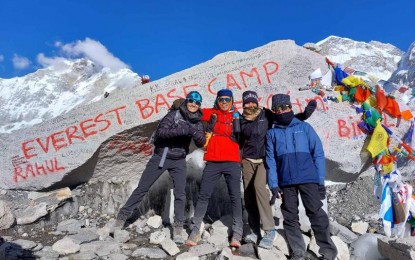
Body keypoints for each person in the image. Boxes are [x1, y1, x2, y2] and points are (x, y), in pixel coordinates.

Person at [114, 91, 206, 244]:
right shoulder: (174, 115)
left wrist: (197, 134)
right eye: (191, 100)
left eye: (197, 102)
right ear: (186, 101)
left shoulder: (197, 122)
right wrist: (182, 130)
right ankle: (121, 219)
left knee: (180, 194)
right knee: (142, 188)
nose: (193, 104)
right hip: (161, 157)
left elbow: (201, 142)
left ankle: (177, 228)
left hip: (179, 160)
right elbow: (161, 132)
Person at [239, 91, 316, 249]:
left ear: (257, 102)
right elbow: (238, 140)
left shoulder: (266, 114)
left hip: (263, 159)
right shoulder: (240, 119)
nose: (250, 105)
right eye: (247, 103)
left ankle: (269, 230)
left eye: (252, 102)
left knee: (260, 188)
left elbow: (286, 119)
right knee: (248, 194)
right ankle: (254, 230)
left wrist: (305, 115)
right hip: (247, 160)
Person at [265, 94, 337, 260]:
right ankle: (298, 252)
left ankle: (328, 252)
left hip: (308, 179)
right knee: (290, 217)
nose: (281, 111)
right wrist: (274, 185)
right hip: (286, 181)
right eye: (277, 109)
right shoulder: (272, 134)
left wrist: (320, 181)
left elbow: (318, 153)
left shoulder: (305, 128)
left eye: (284, 107)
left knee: (316, 213)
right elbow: (271, 160)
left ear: (290, 108)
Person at [185, 89, 243, 248]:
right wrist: (183, 103)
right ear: (217, 100)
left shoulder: (238, 116)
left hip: (232, 161)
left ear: (231, 100)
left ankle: (237, 232)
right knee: (204, 195)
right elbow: (192, 111)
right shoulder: (212, 113)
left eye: (227, 99)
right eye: (221, 99)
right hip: (213, 160)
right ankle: (195, 230)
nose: (224, 102)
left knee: (235, 196)